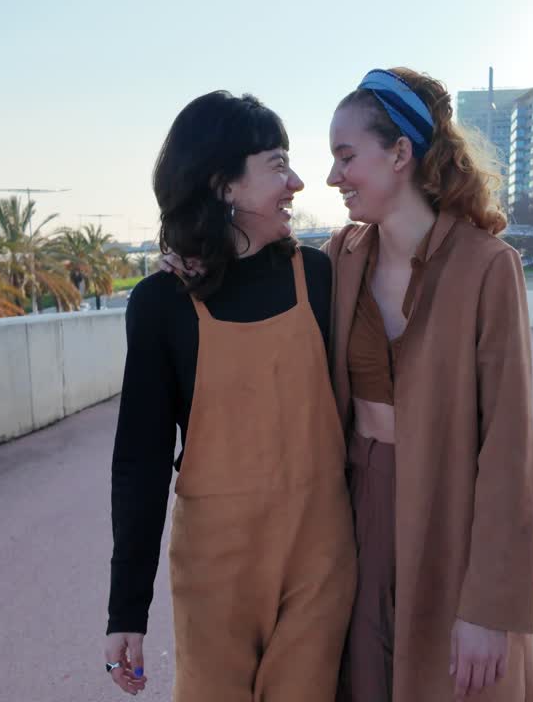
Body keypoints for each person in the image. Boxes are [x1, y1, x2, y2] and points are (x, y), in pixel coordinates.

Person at [103, 91, 356, 701]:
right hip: (216, 573)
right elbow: (139, 460)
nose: (297, 182)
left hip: (319, 559)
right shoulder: (162, 303)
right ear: (225, 186)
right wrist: (126, 611)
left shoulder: (319, 278)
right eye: (277, 165)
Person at [323, 68, 533, 702]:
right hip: (357, 514)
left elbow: (510, 448)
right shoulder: (338, 258)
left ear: (399, 153)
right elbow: (248, 272)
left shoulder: (488, 266)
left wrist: (490, 609)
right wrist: (186, 257)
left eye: (345, 156)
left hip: (452, 521)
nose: (333, 177)